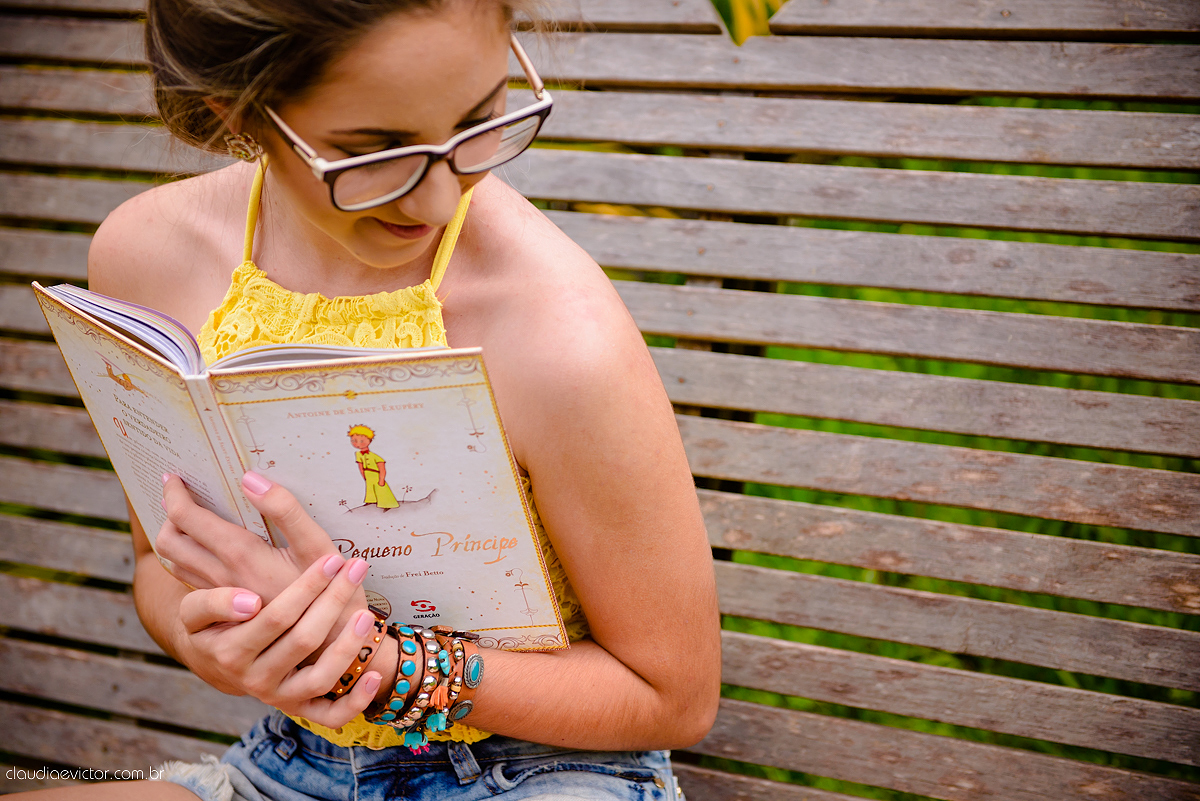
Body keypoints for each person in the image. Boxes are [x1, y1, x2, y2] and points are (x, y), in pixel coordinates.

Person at [17, 0, 720, 798]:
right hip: (288, 765)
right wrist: (209, 635)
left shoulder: (555, 330)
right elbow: (159, 565)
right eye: (374, 152)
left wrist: (390, 667)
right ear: (236, 110)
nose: (437, 202)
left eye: (480, 118)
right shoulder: (148, 259)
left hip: (548, 772)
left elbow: (675, 697)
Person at [348, 424, 401, 509]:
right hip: (367, 474)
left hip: (376, 474)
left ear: (369, 440)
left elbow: (382, 468)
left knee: (381, 488)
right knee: (369, 488)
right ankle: (371, 501)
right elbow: (360, 466)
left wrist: (381, 479)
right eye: (354, 440)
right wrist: (364, 475)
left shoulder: (375, 456)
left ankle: (388, 504)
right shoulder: (358, 454)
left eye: (361, 441)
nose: (357, 444)